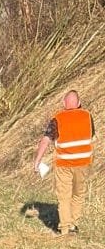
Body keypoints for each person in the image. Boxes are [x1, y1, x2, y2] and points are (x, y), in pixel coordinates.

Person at [34, 90, 95, 237]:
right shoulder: (87, 116)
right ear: (79, 103)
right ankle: (73, 223)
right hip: (83, 163)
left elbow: (46, 139)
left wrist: (37, 160)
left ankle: (65, 229)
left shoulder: (58, 119)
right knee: (78, 194)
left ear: (63, 103)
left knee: (64, 196)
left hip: (64, 164)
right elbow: (92, 136)